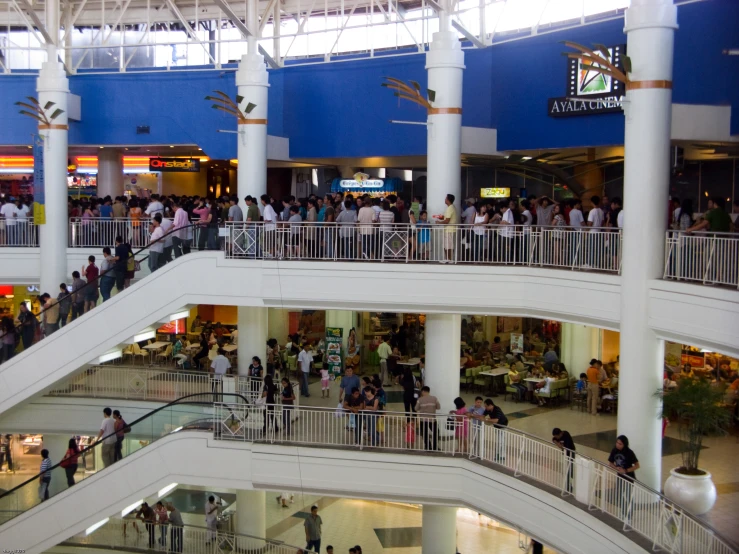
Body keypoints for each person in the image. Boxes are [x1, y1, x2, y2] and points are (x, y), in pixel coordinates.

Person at [416, 386, 440, 451]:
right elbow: (438, 407)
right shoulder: (434, 398)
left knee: (424, 433)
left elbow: (416, 409)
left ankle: (428, 446)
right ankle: (435, 447)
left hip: (423, 420)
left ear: (423, 391)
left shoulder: (420, 399)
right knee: (436, 432)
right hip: (432, 419)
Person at [552, 428, 576, 492]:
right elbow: (554, 439)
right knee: (567, 470)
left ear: (560, 433)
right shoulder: (557, 437)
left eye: (557, 436)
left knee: (569, 470)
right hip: (566, 454)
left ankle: (570, 485)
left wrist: (560, 446)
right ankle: (568, 486)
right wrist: (557, 443)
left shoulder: (566, 435)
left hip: (571, 453)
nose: (557, 438)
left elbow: (567, 447)